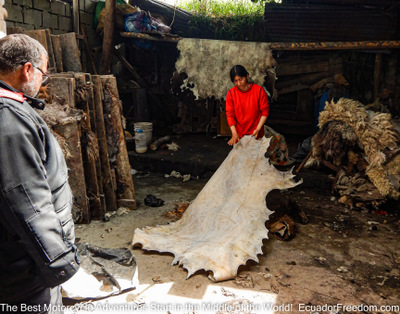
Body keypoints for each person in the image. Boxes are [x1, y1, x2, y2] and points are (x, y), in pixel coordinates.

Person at [0, 34, 80, 313]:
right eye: (43, 75)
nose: (43, 83)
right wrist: (60, 262)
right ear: (27, 70)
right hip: (24, 269)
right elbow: (26, 200)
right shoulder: (7, 119)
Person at [226, 65, 269, 146]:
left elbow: (265, 112)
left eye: (241, 79)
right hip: (239, 136)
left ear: (247, 76)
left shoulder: (259, 91)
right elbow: (230, 115)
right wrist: (234, 133)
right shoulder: (231, 94)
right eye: (235, 81)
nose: (238, 83)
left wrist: (258, 129)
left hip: (256, 134)